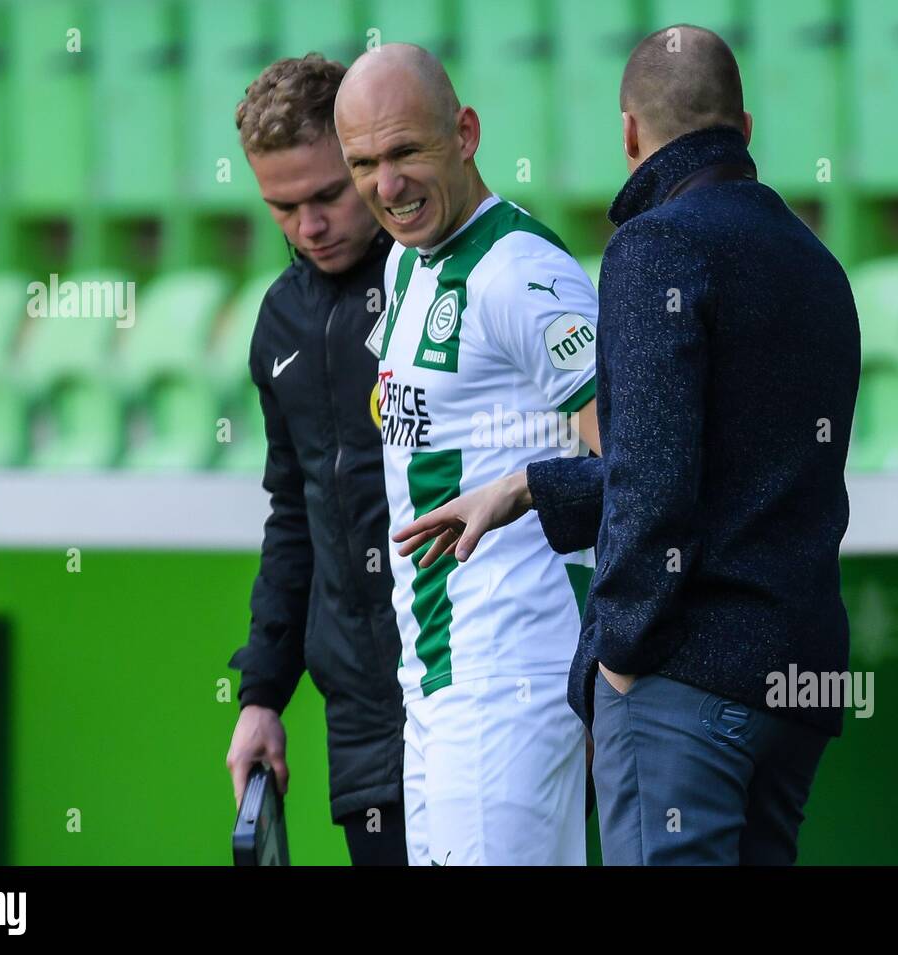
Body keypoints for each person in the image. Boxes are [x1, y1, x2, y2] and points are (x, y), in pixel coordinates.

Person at [395, 25, 861, 865]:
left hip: (683, 676)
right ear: (745, 129)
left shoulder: (657, 245)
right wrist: (532, 486)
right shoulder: (816, 261)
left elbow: (653, 476)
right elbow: (730, 462)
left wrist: (619, 655)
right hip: (798, 679)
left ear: (629, 134)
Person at [332, 43, 602, 865]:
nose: (388, 185)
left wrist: (521, 487)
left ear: (467, 133)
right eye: (365, 163)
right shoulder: (408, 264)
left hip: (511, 670)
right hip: (439, 674)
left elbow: (637, 459)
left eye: (407, 151)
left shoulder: (518, 271)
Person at [224, 54, 406, 866]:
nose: (309, 226)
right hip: (361, 718)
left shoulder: (440, 287)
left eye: (328, 195)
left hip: (476, 696)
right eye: (282, 207)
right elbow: (294, 515)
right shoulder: (281, 323)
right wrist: (262, 694)